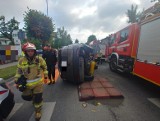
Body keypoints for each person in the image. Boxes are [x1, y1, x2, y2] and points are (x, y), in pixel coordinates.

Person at [14, 42, 48, 121]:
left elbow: (45, 67)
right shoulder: (21, 60)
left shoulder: (39, 59)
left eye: (32, 51)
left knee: (37, 98)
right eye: (28, 51)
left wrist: (46, 77)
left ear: (34, 51)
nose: (30, 52)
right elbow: (18, 71)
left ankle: (38, 112)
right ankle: (34, 98)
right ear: (25, 51)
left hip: (38, 83)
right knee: (25, 97)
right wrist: (16, 81)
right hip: (27, 84)